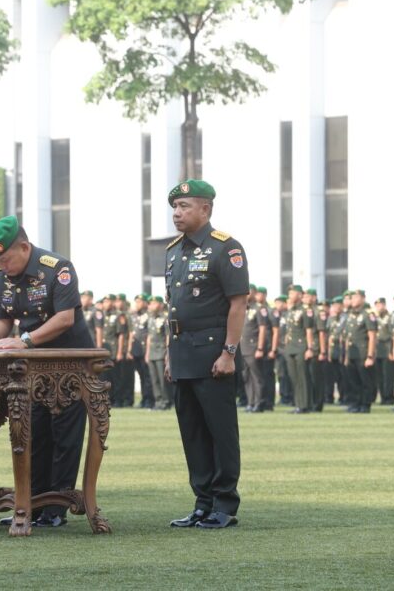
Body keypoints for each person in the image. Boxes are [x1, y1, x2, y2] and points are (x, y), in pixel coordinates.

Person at [0, 215, 94, 528]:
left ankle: (56, 508)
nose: (1, 267)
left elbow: (65, 318)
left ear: (24, 247)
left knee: (64, 434)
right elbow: (4, 320)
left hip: (69, 363)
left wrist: (24, 340)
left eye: (5, 259)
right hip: (33, 368)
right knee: (33, 433)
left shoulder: (57, 268)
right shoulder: (2, 278)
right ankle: (31, 503)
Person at [164, 179, 248, 529]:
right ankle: (202, 503)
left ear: (206, 209)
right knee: (193, 433)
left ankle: (224, 504)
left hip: (214, 354)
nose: (177, 214)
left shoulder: (225, 249)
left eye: (184, 207)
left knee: (219, 431)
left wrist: (229, 351)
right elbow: (172, 306)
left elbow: (238, 303)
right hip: (182, 352)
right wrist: (170, 353)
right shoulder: (173, 251)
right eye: (175, 208)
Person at [343, 290, 377, 413]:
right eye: (351, 298)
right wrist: (346, 355)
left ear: (363, 299)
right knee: (354, 380)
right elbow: (347, 336)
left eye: (356, 297)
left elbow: (372, 336)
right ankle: (356, 403)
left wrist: (370, 355)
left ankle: (365, 404)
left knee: (365, 380)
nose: (353, 300)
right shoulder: (350, 315)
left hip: (363, 352)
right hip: (352, 353)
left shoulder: (368, 314)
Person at [282, 284, 314, 414]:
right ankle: (298, 403)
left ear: (300, 295)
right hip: (290, 347)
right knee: (293, 377)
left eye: (292, 293)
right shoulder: (290, 311)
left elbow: (309, 331)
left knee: (302, 377)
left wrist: (310, 348)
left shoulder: (306, 310)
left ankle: (305, 405)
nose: (290, 295)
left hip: (301, 347)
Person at [241, 285, 267, 412]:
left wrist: (260, 348)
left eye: (249, 292)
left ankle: (259, 402)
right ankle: (250, 402)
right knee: (246, 376)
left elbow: (262, 329)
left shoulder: (259, 309)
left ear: (254, 293)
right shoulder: (243, 308)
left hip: (253, 347)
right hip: (243, 347)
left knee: (256, 376)